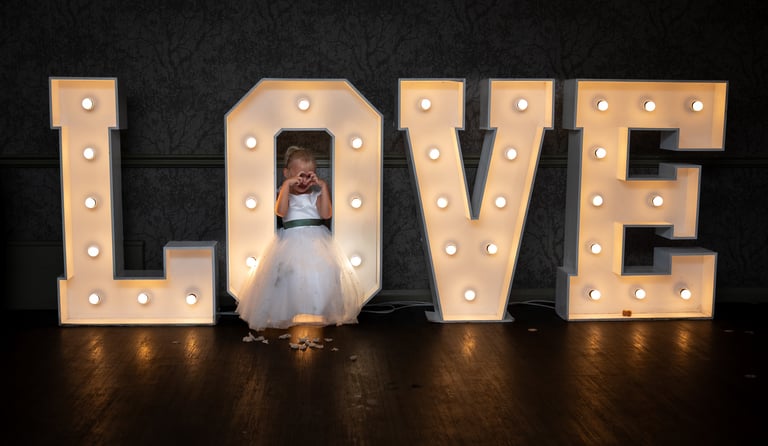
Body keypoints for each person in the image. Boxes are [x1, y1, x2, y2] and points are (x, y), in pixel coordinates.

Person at [236, 145, 363, 331]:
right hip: (291, 239)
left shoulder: (316, 194)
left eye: (309, 175)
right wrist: (287, 185)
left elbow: (326, 214)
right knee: (291, 272)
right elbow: (281, 211)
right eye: (299, 176)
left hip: (317, 240)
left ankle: (318, 310)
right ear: (287, 173)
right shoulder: (284, 192)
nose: (303, 181)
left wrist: (323, 187)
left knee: (326, 269)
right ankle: (289, 311)